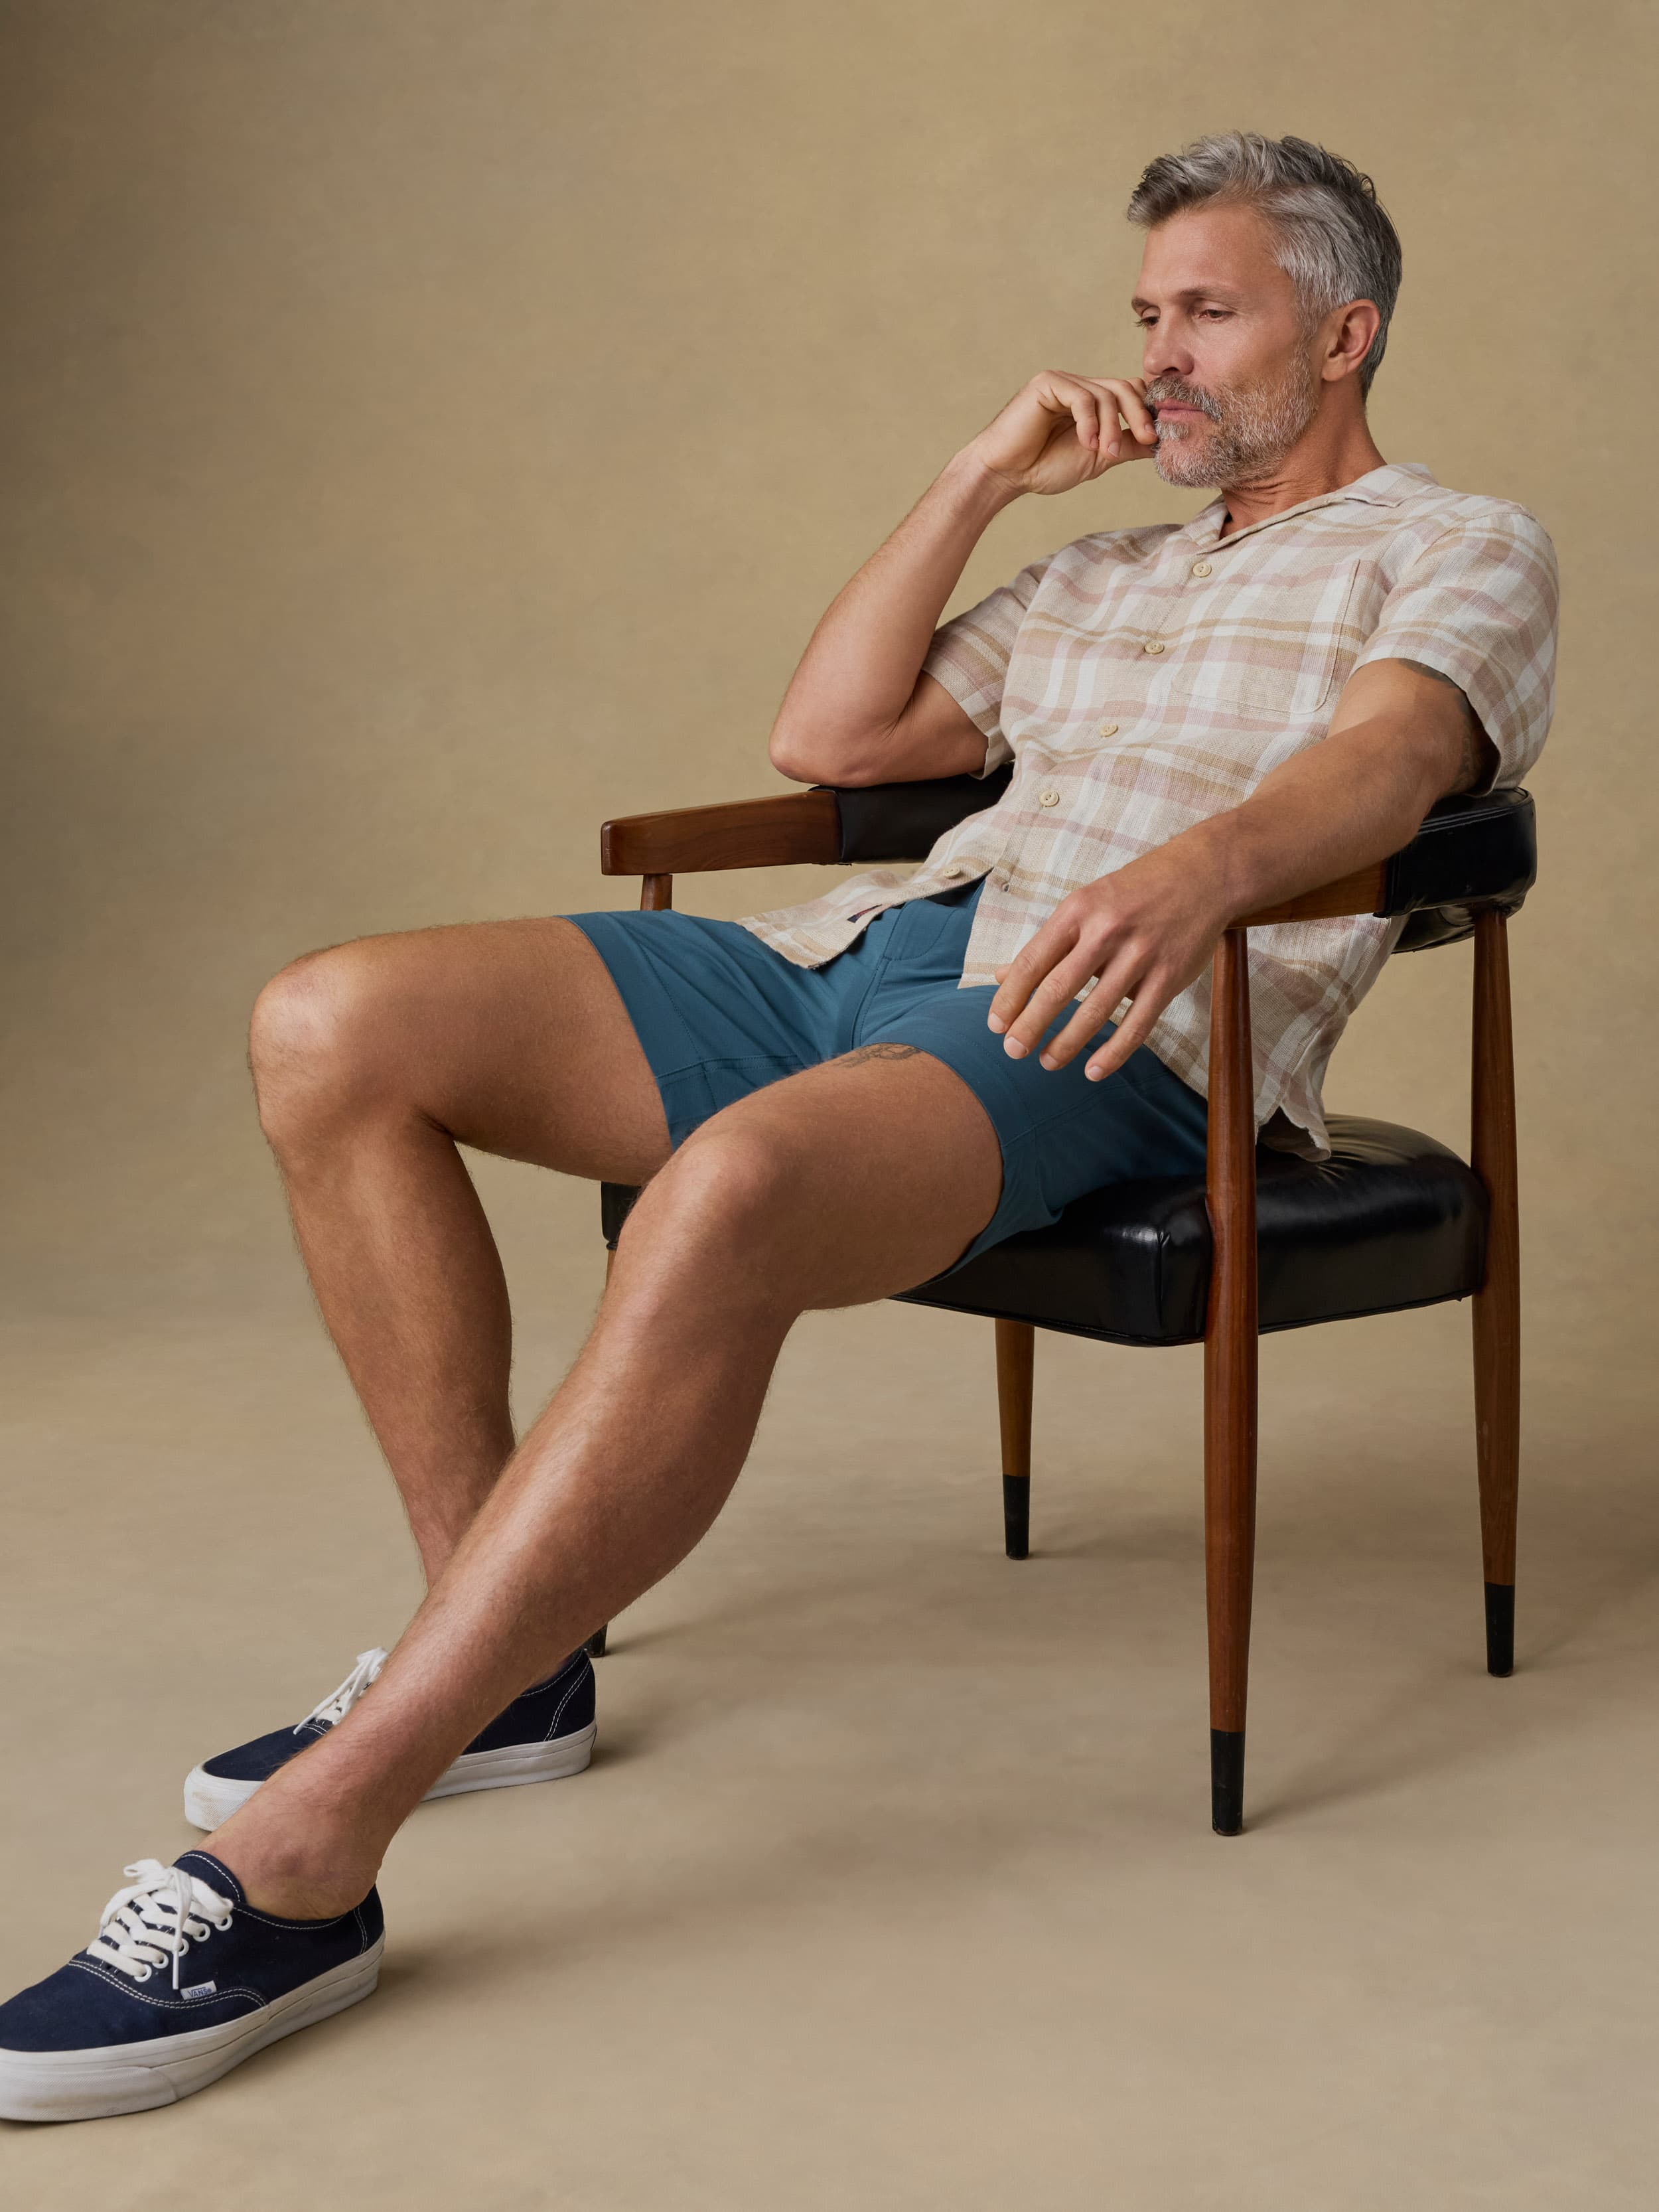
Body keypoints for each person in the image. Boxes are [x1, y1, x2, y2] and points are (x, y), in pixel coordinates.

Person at [0, 131, 1557, 2122]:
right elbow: (827, 743)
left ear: (1341, 336)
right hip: (872, 955)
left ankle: (305, 1861)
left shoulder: (1458, 539)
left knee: (721, 1191)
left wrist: (1195, 876)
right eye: (1144, 313)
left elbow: (1391, 762)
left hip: (1111, 1024)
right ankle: (510, 1665)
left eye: (1208, 310)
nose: (1160, 353)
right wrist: (983, 474)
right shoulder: (1102, 567)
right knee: (330, 1024)